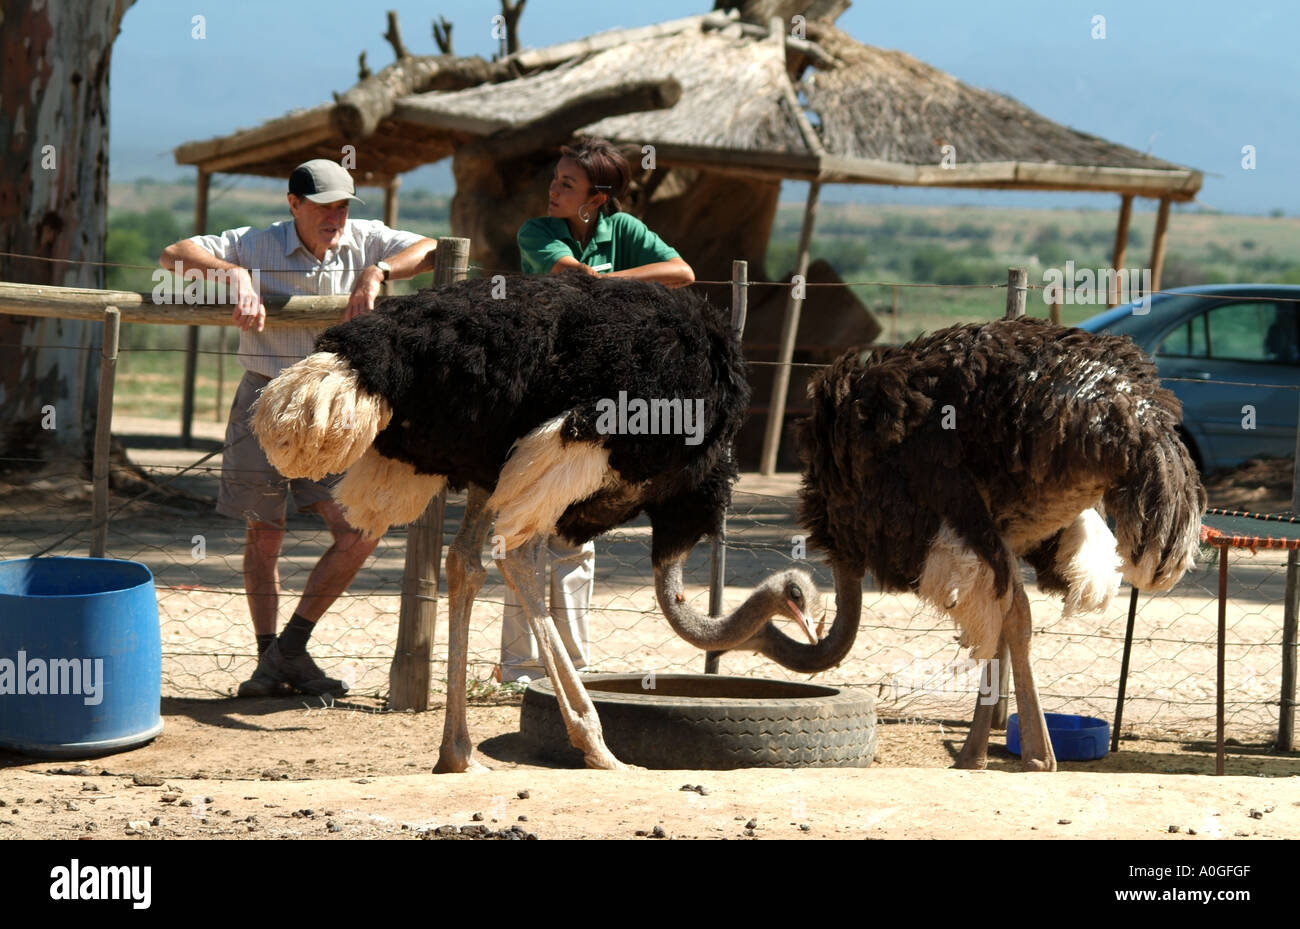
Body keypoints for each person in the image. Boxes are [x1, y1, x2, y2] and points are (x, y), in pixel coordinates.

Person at [160, 159, 437, 697]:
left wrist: (379, 271)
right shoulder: (254, 243)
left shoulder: (366, 240)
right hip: (263, 395)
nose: (335, 216)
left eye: (342, 206)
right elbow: (174, 256)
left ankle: (290, 647)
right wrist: (232, 273)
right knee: (265, 534)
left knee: (360, 530)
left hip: (333, 405)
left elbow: (433, 248)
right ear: (293, 204)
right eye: (323, 206)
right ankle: (273, 659)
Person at [499, 138, 694, 685]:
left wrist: (610, 283)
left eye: (567, 183)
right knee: (525, 528)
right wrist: (621, 285)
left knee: (574, 531)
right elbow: (571, 280)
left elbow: (683, 272)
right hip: (539, 388)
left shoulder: (624, 229)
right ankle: (519, 668)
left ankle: (573, 668)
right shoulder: (537, 232)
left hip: (593, 393)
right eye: (556, 179)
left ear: (598, 198)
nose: (553, 189)